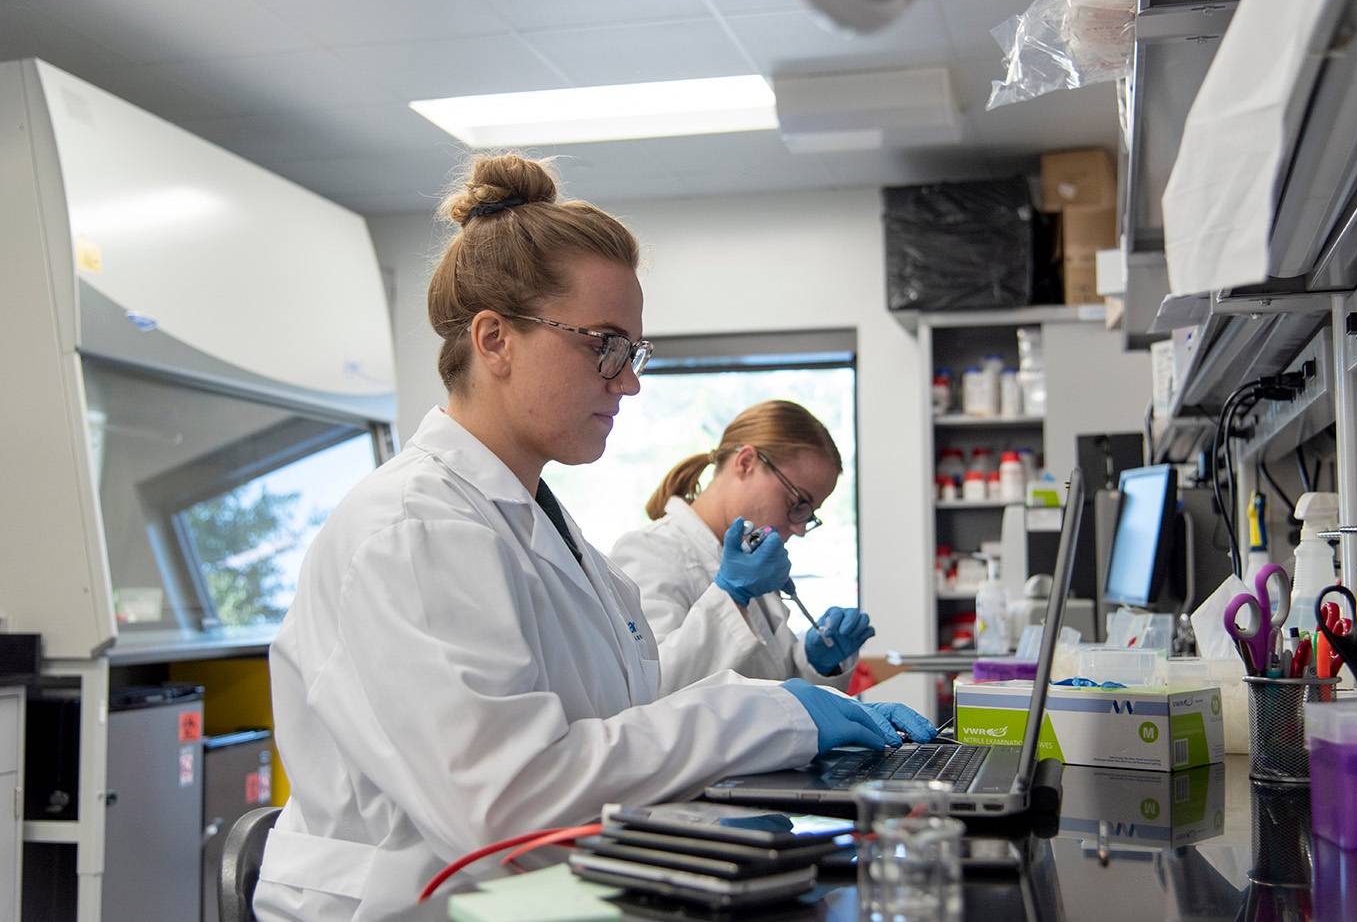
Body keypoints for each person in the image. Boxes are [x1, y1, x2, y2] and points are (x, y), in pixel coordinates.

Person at [252, 153, 935, 922]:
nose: (630, 380)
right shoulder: (412, 529)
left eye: (633, 351)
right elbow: (506, 805)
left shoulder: (540, 524)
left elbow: (629, 720)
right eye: (605, 344)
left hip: (528, 895)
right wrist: (774, 713)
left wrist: (790, 701)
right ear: (494, 339)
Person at [612, 401, 876, 694]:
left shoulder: (746, 562)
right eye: (798, 503)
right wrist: (731, 597)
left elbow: (773, 687)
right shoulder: (649, 553)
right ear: (746, 463)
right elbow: (653, 690)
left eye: (809, 513)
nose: (800, 529)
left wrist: (816, 664)